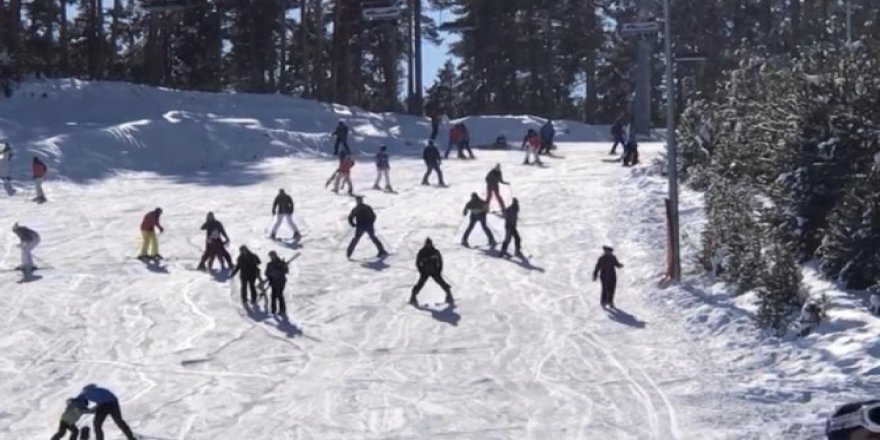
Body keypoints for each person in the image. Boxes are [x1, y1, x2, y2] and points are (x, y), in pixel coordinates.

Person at [410, 238, 454, 306]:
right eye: (428, 244)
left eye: (430, 244)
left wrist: (439, 270)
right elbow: (418, 262)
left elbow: (440, 261)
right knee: (420, 284)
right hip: (425, 272)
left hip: (435, 271)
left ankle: (449, 296)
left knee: (442, 283)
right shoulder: (422, 252)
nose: (429, 245)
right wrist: (421, 270)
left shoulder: (435, 251)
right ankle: (413, 298)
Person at [264, 250, 290, 316]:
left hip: (281, 281)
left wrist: (284, 266)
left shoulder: (281, 263)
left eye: (273, 256)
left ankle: (282, 310)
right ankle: (273, 310)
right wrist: (270, 274)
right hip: (273, 282)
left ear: (275, 255)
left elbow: (286, 271)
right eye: (271, 256)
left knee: (280, 295)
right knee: (273, 296)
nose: (272, 257)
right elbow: (266, 273)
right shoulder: (269, 264)